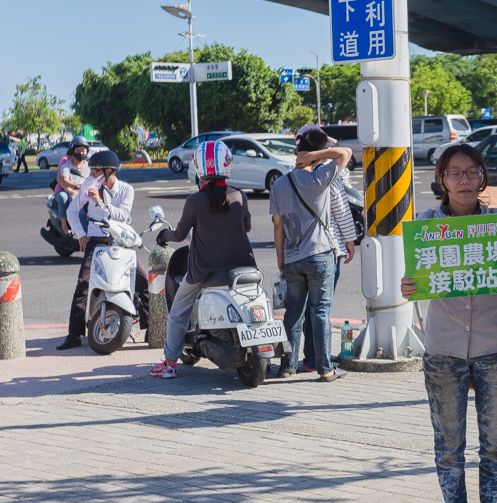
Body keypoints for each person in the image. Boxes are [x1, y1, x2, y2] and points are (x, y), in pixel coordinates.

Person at [400, 144, 497, 503]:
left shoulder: (496, 226)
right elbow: (415, 279)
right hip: (443, 349)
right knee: (448, 443)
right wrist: (408, 287)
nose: (465, 180)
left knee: (495, 441)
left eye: (472, 172)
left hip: (495, 346)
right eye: (455, 173)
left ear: (482, 177)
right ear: (441, 180)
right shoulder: (426, 227)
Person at [150, 140, 257, 378]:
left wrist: (162, 236)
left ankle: (169, 363)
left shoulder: (194, 201)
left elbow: (179, 235)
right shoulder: (240, 196)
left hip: (204, 269)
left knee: (178, 311)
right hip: (242, 265)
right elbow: (246, 227)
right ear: (227, 166)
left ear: (199, 168)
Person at [269, 128, 352, 381]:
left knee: (293, 313)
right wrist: (317, 154)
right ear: (318, 156)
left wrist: (280, 257)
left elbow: (277, 225)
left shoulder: (279, 184)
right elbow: (345, 153)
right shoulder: (319, 177)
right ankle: (325, 369)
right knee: (320, 311)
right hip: (320, 254)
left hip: (292, 258)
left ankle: (287, 366)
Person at [56, 150, 149, 350]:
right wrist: (80, 233)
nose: (90, 175)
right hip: (96, 240)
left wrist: (100, 202)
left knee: (142, 279)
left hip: (121, 239)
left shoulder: (126, 190)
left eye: (95, 171)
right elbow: (72, 210)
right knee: (83, 282)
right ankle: (74, 334)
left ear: (108, 171)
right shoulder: (90, 186)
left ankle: (150, 328)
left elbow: (122, 216)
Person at [294, 125, 357, 373]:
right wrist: (350, 240)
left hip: (298, 251)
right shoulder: (327, 173)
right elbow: (341, 208)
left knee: (302, 309)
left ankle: (302, 359)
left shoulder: (292, 176)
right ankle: (319, 361)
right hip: (327, 249)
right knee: (321, 307)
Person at [54, 137, 90, 235]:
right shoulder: (65, 161)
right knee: (64, 198)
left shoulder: (87, 164)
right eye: (78, 150)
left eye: (83, 150)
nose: (81, 153)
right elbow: (60, 179)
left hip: (80, 190)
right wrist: (70, 189)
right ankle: (65, 224)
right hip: (63, 189)